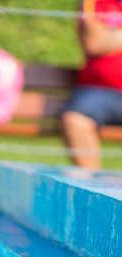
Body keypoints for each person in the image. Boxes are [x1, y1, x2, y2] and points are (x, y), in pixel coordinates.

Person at [61, 0, 122, 169]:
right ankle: (92, 188)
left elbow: (104, 40)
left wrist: (113, 36)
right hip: (100, 93)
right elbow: (94, 43)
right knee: (75, 120)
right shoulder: (96, 2)